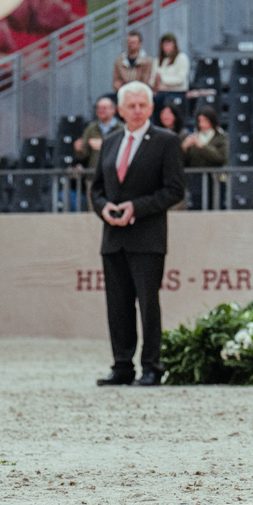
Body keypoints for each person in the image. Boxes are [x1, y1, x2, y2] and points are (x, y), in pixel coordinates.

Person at [92, 80, 185, 386]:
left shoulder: (166, 141)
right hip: (113, 238)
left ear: (151, 107)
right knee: (117, 305)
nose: (136, 110)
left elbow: (174, 191)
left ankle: (151, 366)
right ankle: (122, 366)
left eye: (141, 105)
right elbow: (96, 189)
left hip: (147, 236)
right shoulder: (110, 142)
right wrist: (104, 207)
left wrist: (137, 207)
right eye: (130, 105)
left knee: (147, 304)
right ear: (119, 109)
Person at [149, 34, 189, 122]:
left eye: (169, 44)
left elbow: (180, 79)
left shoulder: (181, 58)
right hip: (160, 92)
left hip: (176, 92)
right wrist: (155, 81)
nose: (167, 46)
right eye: (165, 44)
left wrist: (162, 79)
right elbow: (152, 79)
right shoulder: (157, 60)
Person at [77, 94, 121, 167]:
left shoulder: (121, 128)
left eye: (104, 108)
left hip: (114, 174)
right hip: (94, 174)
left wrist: (103, 145)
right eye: (98, 108)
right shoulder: (91, 128)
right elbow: (84, 155)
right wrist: (79, 149)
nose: (101, 110)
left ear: (113, 110)